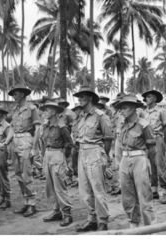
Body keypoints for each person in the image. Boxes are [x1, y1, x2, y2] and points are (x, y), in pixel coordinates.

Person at [73, 86, 113, 232]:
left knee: (97, 189)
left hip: (95, 152)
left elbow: (108, 138)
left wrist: (103, 156)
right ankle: (92, 219)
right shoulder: (81, 116)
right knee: (84, 190)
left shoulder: (101, 115)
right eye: (79, 97)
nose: (80, 99)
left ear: (90, 98)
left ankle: (102, 221)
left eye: (83, 96)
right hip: (82, 152)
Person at [116, 95, 156, 228]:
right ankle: (133, 224)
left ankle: (150, 227)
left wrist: (148, 164)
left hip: (140, 159)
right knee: (127, 196)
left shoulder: (144, 125)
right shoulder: (122, 125)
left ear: (133, 108)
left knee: (144, 195)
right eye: (121, 108)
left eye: (125, 108)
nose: (122, 111)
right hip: (125, 159)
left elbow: (151, 148)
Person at [4, 84, 41, 217]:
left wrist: (34, 147)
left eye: (16, 93)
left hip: (26, 139)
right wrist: (6, 142)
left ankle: (32, 204)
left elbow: (37, 128)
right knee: (18, 173)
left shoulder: (32, 108)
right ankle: (26, 202)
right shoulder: (14, 109)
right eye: (13, 93)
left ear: (23, 94)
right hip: (15, 140)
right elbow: (12, 128)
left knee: (27, 173)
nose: (14, 96)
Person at [35, 101, 74, 227]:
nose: (45, 112)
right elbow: (43, 141)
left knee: (60, 186)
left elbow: (69, 143)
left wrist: (64, 159)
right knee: (50, 186)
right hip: (48, 154)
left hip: (58, 155)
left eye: (47, 110)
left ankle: (67, 214)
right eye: (45, 110)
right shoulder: (45, 126)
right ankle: (56, 211)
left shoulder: (61, 127)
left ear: (54, 112)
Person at [142, 90, 166, 204]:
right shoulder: (144, 112)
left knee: (160, 166)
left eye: (149, 97)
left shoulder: (161, 111)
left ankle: (165, 192)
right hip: (147, 141)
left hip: (158, 138)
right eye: (146, 97)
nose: (146, 99)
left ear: (154, 98)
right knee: (150, 167)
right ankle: (154, 190)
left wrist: (162, 141)